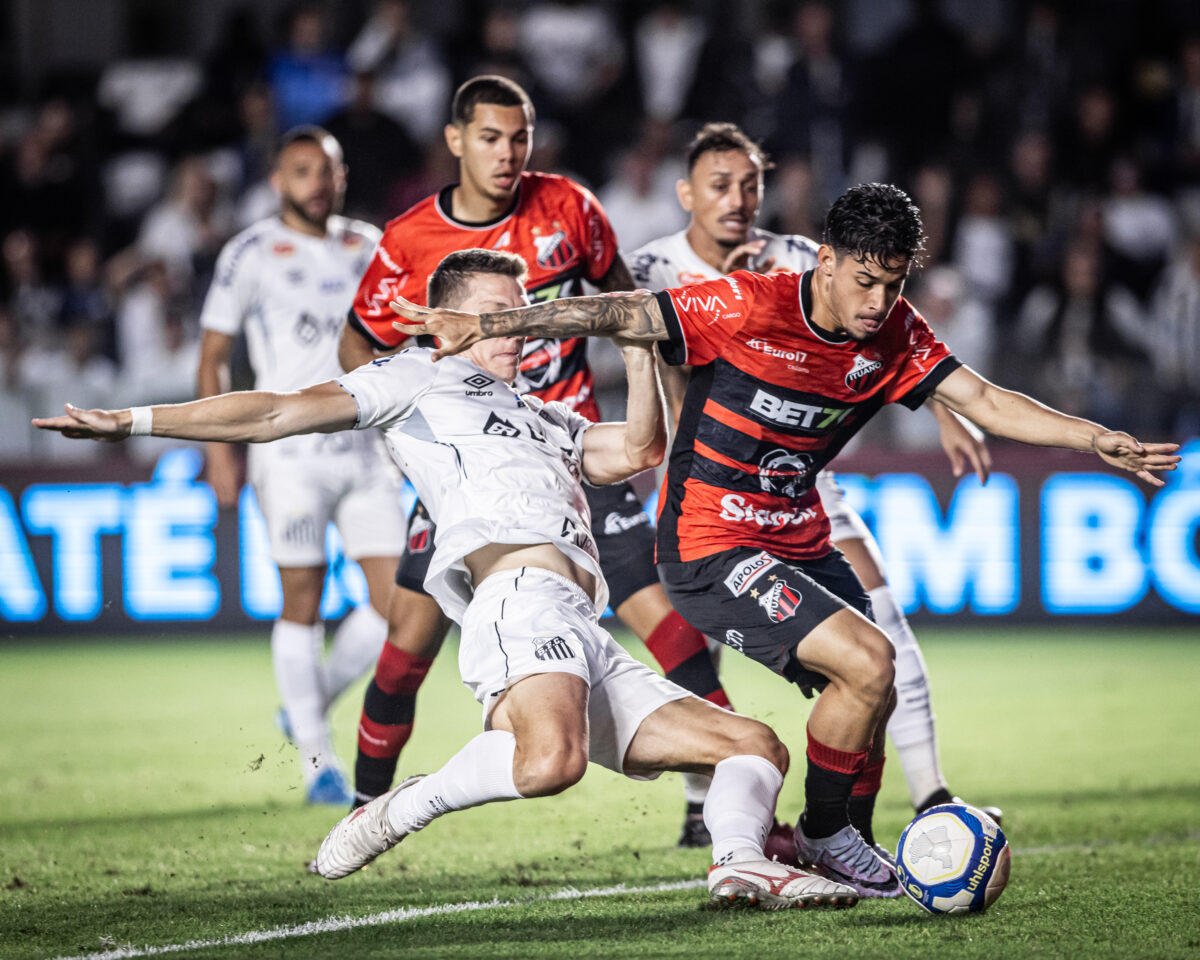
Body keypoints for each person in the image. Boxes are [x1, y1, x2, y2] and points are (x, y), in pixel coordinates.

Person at [389, 183, 1180, 897]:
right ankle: (827, 834)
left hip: (796, 537)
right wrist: (496, 323)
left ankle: (843, 837)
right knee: (870, 662)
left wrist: (1095, 439)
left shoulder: (895, 333)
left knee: (876, 679)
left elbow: (985, 399)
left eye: (893, 284)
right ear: (826, 261)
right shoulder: (746, 304)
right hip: (708, 545)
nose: (878, 301)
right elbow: (620, 312)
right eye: (865, 281)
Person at [34, 249, 859, 912]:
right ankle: (401, 805)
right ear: (443, 321)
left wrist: (640, 351)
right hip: (514, 602)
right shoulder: (411, 378)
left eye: (520, 311)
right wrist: (135, 423)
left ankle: (742, 865)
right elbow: (276, 410)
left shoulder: (543, 410)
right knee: (548, 764)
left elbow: (638, 451)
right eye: (497, 313)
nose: (517, 327)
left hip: (580, 623)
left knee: (753, 745)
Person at [337, 75, 734, 847]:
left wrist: (676, 425)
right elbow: (358, 343)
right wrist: (406, 423)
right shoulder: (411, 239)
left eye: (519, 137)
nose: (508, 153)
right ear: (455, 141)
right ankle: (366, 804)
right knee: (407, 644)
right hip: (471, 465)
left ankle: (702, 798)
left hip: (569, 446)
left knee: (662, 620)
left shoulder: (570, 209)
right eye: (490, 137)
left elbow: (636, 316)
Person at [629, 123, 998, 832]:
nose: (738, 198)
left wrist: (951, 409)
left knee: (880, 638)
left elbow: (896, 344)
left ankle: (928, 797)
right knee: (709, 632)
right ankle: (709, 799)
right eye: (720, 184)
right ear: (687, 194)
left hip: (806, 481)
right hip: (711, 477)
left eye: (750, 184)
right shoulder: (651, 269)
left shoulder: (803, 257)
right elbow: (641, 346)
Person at [195, 127, 406, 804]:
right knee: (302, 598)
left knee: (400, 606)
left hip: (367, 445)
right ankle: (319, 763)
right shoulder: (250, 252)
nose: (318, 181)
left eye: (328, 170)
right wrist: (217, 449)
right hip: (288, 453)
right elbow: (212, 356)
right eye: (303, 170)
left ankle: (305, 703)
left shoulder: (370, 245)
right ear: (278, 181)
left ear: (342, 177)